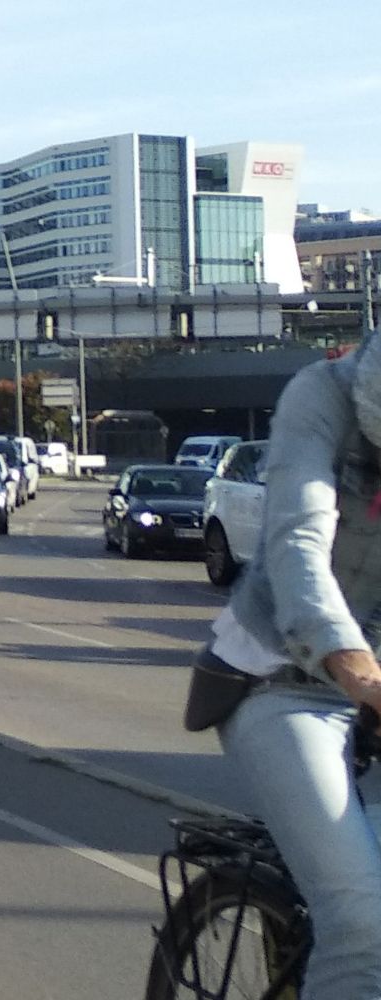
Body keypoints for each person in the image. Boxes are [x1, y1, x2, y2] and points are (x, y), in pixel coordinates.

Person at [214, 331, 381, 998]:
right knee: (365, 925)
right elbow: (296, 545)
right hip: (282, 681)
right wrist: (356, 668)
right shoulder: (321, 395)